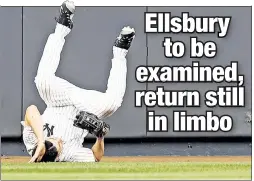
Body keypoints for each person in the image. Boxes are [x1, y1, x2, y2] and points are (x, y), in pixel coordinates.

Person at [21, 0, 135, 163]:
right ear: (57, 157)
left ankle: (62, 26)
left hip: (57, 99)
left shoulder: (32, 143)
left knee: (42, 81)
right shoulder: (67, 154)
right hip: (83, 108)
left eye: (51, 143)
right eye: (57, 147)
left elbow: (31, 111)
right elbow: (96, 157)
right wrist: (100, 137)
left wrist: (40, 141)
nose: (57, 142)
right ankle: (120, 51)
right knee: (112, 104)